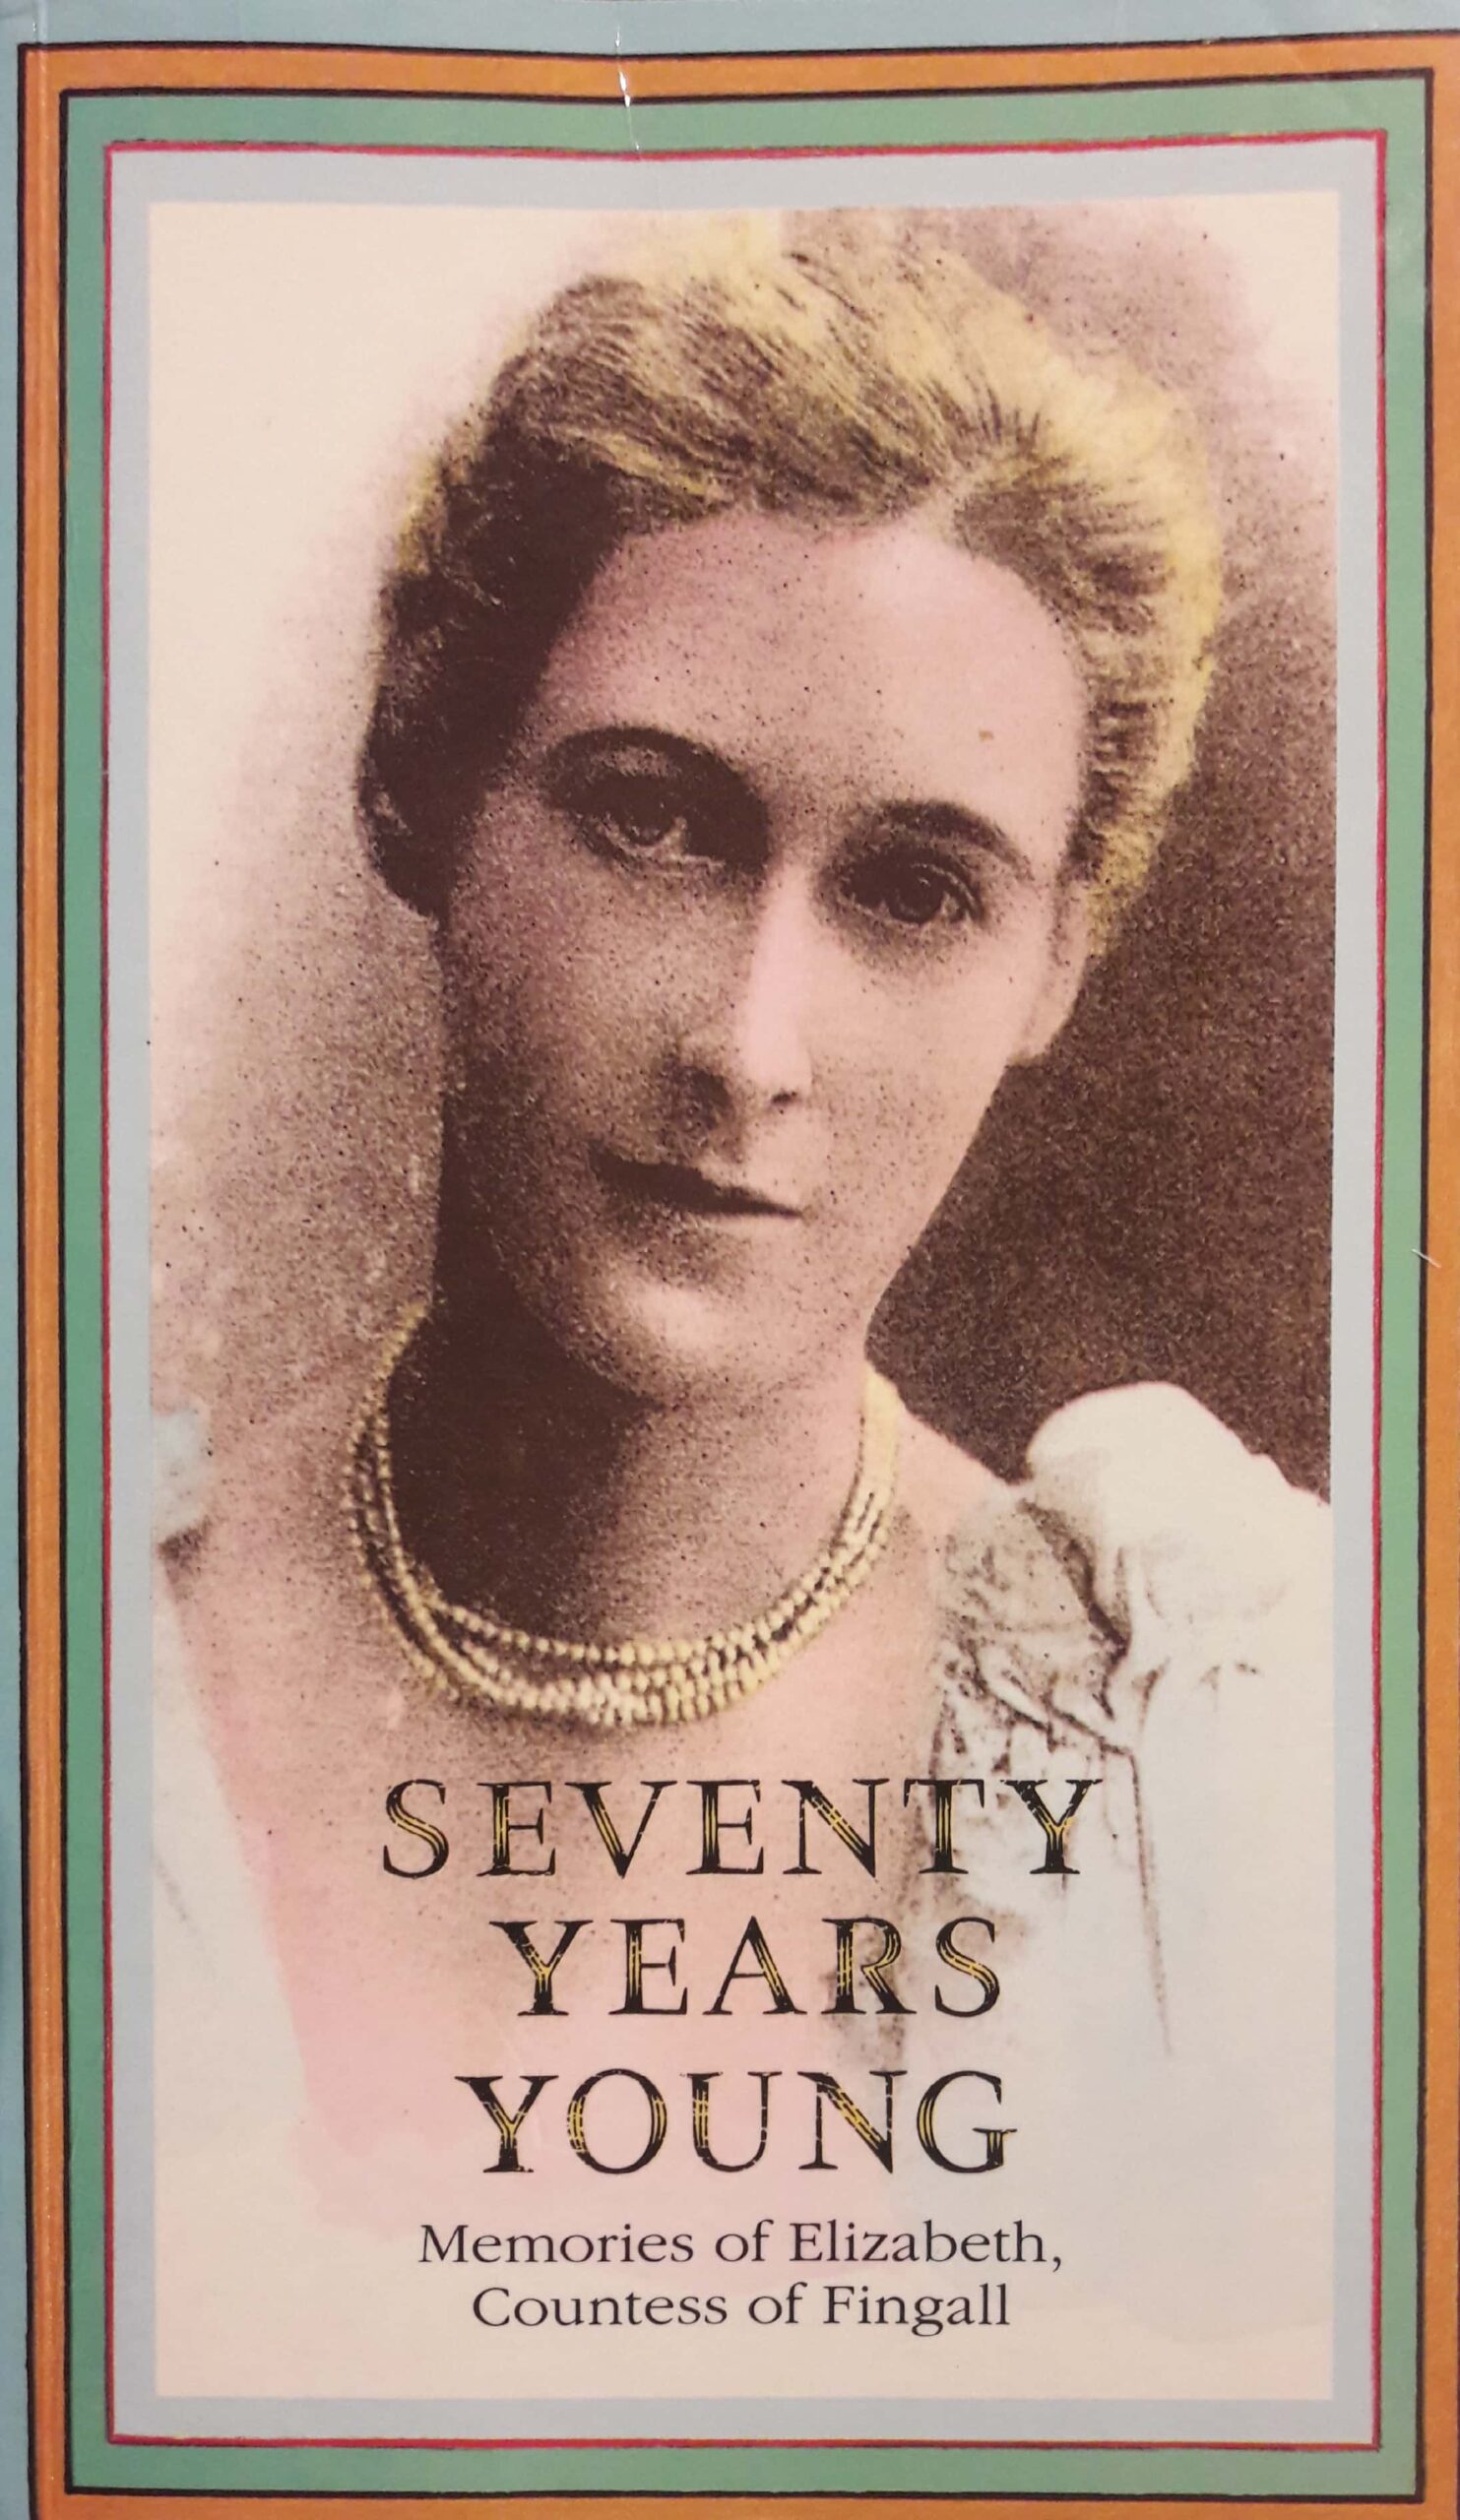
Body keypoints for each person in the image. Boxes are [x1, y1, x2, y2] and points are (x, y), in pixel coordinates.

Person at [156, 218, 1332, 2394]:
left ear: (1055, 965)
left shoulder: (1240, 1773)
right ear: (419, 788)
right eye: (649, 820)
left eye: (914, 890)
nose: (750, 1043)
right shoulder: (92, 1684)